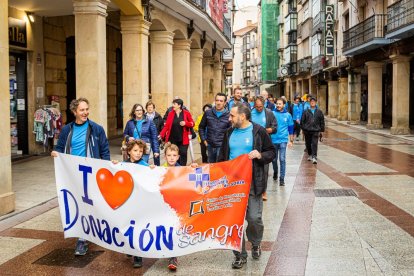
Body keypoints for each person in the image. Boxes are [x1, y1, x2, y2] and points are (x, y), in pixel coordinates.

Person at [217, 103, 275, 269]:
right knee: (235, 221)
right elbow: (221, 158)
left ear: (242, 116)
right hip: (232, 184)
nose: (230, 119)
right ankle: (239, 255)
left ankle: (255, 243)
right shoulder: (229, 132)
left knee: (254, 218)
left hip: (253, 183)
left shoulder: (258, 131)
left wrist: (260, 154)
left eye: (232, 116)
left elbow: (271, 152)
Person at [51, 97, 110, 256]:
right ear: (74, 112)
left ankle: (83, 239)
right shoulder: (67, 130)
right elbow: (60, 148)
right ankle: (86, 232)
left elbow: (104, 151)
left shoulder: (96, 129)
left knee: (88, 203)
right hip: (72, 174)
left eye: (87, 109)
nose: (85, 112)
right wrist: (56, 153)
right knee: (76, 203)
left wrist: (106, 170)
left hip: (91, 173)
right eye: (82, 110)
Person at [112, 140, 151, 268]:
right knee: (127, 226)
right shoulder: (123, 164)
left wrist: (153, 170)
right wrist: (114, 165)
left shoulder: (145, 165)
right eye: (135, 150)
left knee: (137, 227)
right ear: (128, 151)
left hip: (139, 203)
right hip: (126, 202)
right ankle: (129, 248)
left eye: (140, 151)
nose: (138, 153)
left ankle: (137, 256)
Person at [250, 96, 277, 201]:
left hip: (264, 143)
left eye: (260, 107)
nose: (259, 109)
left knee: (265, 169)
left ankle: (263, 191)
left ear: (264, 104)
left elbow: (275, 128)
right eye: (257, 107)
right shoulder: (250, 113)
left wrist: (265, 131)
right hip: (253, 143)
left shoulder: (269, 113)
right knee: (252, 167)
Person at [159, 98, 195, 165]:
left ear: (179, 105)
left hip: (183, 139)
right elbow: (166, 126)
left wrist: (185, 123)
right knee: (175, 155)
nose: (173, 105)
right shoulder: (170, 114)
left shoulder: (186, 113)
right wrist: (161, 135)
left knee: (183, 153)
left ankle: (183, 168)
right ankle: (177, 169)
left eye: (174, 104)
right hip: (173, 139)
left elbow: (193, 123)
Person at [199, 93, 232, 163]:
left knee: (220, 167)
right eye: (217, 100)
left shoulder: (229, 115)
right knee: (211, 167)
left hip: (222, 146)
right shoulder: (208, 113)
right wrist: (204, 140)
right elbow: (201, 127)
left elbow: (231, 131)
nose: (219, 103)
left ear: (225, 103)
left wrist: (227, 144)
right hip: (210, 145)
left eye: (221, 101)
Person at [271, 98, 294, 186]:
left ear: (284, 105)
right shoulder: (272, 114)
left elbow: (291, 128)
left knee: (282, 159)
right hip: (273, 139)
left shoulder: (288, 115)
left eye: (280, 104)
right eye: (277, 103)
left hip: (283, 140)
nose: (278, 105)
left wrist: (291, 140)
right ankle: (275, 172)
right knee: (273, 160)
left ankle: (282, 178)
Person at [301, 96, 325, 164]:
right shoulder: (306, 111)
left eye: (314, 102)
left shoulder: (319, 112)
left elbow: (322, 121)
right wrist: (304, 128)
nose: (312, 103)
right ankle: (310, 154)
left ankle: (314, 157)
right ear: (309, 103)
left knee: (314, 143)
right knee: (308, 144)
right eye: (311, 102)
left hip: (316, 130)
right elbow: (302, 121)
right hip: (307, 130)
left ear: (316, 103)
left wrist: (322, 131)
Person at [145, 101, 164, 165]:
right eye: (148, 107)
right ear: (146, 108)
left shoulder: (158, 116)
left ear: (154, 108)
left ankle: (157, 168)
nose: (150, 109)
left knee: (156, 155)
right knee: (145, 156)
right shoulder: (143, 117)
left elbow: (162, 127)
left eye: (151, 107)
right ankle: (145, 168)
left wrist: (160, 135)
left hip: (156, 139)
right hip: (146, 139)